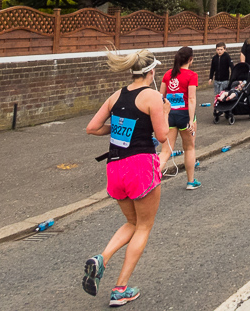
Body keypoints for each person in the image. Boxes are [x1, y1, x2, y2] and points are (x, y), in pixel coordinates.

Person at [83, 49, 170, 306]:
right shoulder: (153, 96)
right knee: (144, 226)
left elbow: (92, 127)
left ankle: (102, 258)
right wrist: (164, 110)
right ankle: (120, 289)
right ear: (151, 72)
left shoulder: (116, 95)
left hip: (115, 167)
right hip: (140, 165)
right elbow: (163, 136)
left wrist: (122, 128)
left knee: (132, 222)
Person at [160, 46, 201, 190]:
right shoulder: (192, 75)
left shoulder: (167, 74)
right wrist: (191, 119)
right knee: (189, 148)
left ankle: (150, 180)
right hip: (185, 115)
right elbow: (191, 98)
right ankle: (191, 181)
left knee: (166, 151)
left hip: (170, 115)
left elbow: (161, 97)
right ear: (190, 60)